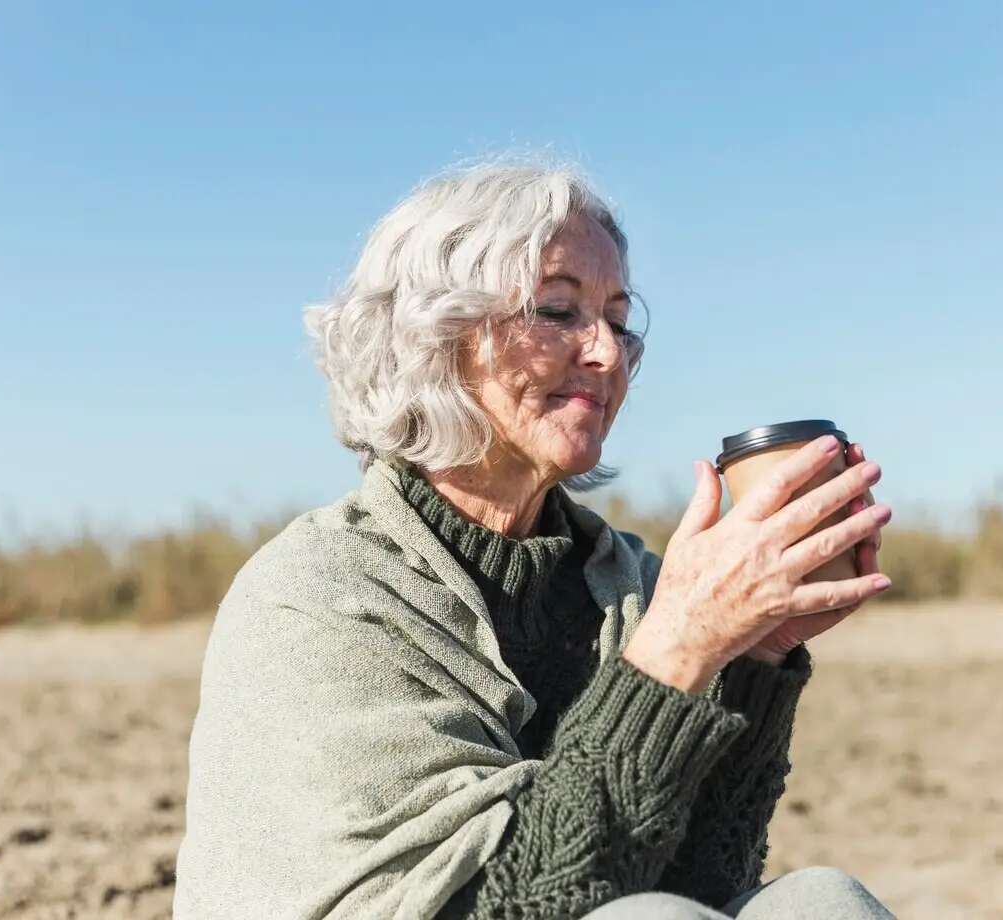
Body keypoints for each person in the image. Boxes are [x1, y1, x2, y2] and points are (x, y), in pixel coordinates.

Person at [173, 160, 899, 920]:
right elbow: (503, 906)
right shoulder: (322, 596)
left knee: (821, 901)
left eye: (619, 321)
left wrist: (756, 651)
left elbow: (704, 873)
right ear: (435, 336)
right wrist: (678, 650)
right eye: (558, 311)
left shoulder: (626, 586)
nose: (608, 354)